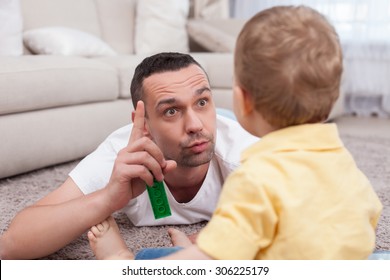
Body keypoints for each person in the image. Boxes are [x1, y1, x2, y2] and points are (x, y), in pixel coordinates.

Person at [87, 5, 383, 260]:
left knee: (162, 261)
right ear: (333, 99)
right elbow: (367, 222)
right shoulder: (346, 165)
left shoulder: (254, 177)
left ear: (241, 100)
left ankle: (122, 260)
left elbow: (209, 263)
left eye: (202, 102)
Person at [0, 52, 258, 259]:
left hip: (228, 123)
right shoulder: (122, 155)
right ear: (143, 124)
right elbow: (10, 246)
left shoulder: (245, 154)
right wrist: (108, 198)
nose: (195, 124)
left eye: (202, 102)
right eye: (171, 111)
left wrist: (200, 243)